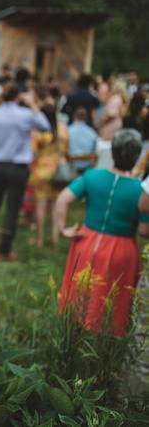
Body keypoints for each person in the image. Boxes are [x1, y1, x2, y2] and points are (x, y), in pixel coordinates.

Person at [54, 129, 149, 337]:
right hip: (122, 249)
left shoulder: (92, 176)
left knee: (80, 293)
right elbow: (144, 230)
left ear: (112, 151)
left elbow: (63, 199)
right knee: (112, 300)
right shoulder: (139, 190)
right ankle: (104, 343)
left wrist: (63, 228)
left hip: (86, 242)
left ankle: (72, 336)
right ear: (136, 156)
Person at [0, 84, 51, 260]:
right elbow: (45, 126)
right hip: (18, 167)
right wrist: (33, 106)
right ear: (18, 97)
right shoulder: (25, 115)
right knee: (12, 208)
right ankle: (4, 250)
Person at [29, 95, 69, 247]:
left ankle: (39, 239)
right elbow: (67, 150)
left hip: (42, 172)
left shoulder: (38, 132)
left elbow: (33, 153)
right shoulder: (63, 129)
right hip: (58, 173)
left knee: (40, 206)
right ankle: (54, 238)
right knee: (54, 206)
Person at [68, 107, 98, 172]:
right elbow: (95, 151)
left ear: (74, 116)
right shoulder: (92, 132)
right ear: (86, 118)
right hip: (87, 167)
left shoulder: (67, 131)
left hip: (71, 168)